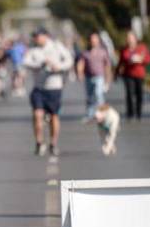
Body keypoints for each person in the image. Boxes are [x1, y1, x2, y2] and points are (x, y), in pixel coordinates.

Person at [23, 28, 74, 156]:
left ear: (45, 36)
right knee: (37, 115)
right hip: (39, 88)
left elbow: (69, 60)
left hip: (54, 87)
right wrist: (40, 63)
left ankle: (53, 143)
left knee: (54, 116)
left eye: (38, 36)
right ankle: (39, 143)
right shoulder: (34, 50)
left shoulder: (57, 46)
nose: (36, 39)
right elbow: (25, 61)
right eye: (34, 36)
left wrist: (58, 66)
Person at [76, 32, 112, 121]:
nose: (93, 42)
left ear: (98, 41)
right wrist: (80, 73)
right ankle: (90, 114)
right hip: (88, 77)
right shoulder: (86, 52)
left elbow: (107, 66)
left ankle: (102, 114)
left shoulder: (103, 52)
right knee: (90, 96)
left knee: (98, 94)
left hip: (99, 76)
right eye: (91, 40)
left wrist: (108, 80)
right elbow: (81, 63)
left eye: (95, 40)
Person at [116, 31, 150, 121]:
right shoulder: (124, 49)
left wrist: (140, 59)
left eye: (131, 38)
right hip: (128, 74)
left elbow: (149, 59)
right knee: (129, 93)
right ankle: (130, 113)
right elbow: (121, 61)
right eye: (128, 38)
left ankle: (138, 112)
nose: (129, 40)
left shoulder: (142, 48)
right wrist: (116, 72)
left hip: (139, 74)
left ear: (135, 39)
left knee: (139, 94)